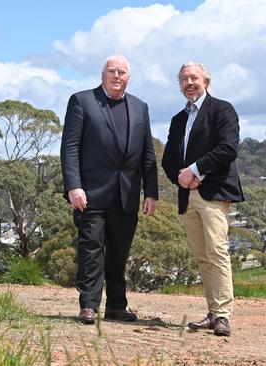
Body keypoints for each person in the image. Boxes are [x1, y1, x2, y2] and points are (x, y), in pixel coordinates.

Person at [61, 54, 158, 325]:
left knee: (119, 253)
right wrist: (73, 186)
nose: (117, 76)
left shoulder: (140, 107)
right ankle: (89, 306)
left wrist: (151, 192)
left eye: (122, 72)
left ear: (129, 77)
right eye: (112, 71)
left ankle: (117, 306)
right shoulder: (82, 101)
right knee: (91, 249)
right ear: (103, 74)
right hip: (90, 193)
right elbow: (69, 147)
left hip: (127, 195)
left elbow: (147, 154)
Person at [161, 62, 244, 336]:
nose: (189, 83)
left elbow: (228, 148)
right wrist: (182, 177)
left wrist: (196, 171)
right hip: (188, 197)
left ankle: (223, 316)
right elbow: (168, 160)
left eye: (194, 78)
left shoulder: (222, 109)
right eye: (184, 79)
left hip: (214, 193)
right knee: (202, 257)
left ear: (206, 81)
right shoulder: (177, 119)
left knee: (217, 252)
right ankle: (212, 312)